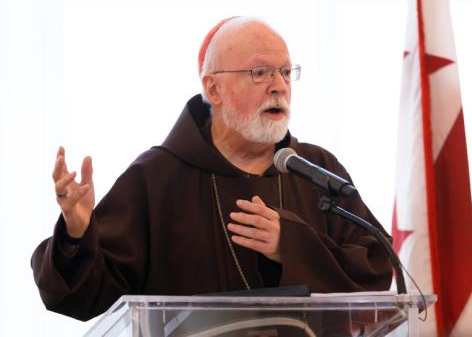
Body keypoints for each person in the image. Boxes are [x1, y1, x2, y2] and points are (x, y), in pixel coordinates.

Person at [31, 17, 392, 321]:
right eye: (260, 72)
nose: (279, 86)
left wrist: (292, 245)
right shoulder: (156, 179)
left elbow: (377, 268)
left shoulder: (317, 170)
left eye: (285, 72)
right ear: (213, 88)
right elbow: (84, 297)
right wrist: (77, 235)